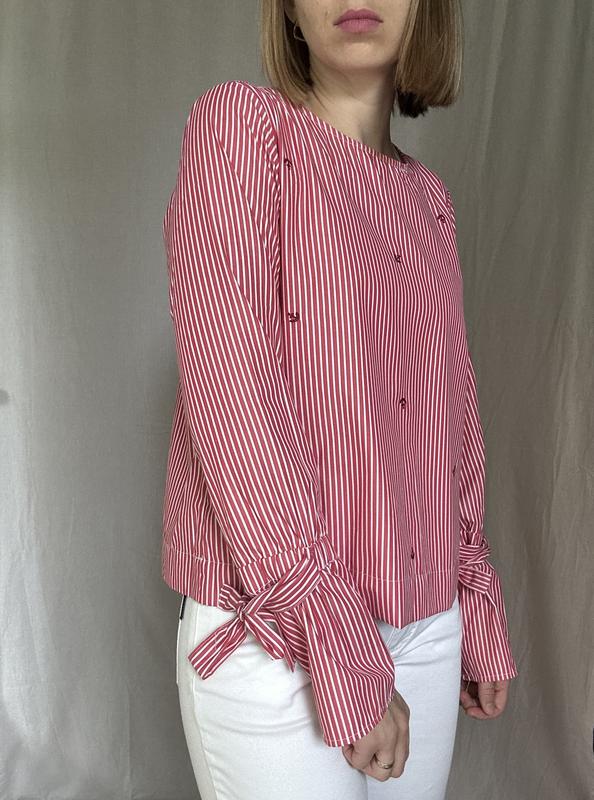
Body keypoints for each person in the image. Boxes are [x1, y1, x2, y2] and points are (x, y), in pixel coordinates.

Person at [162, 1, 518, 798]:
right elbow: (230, 388)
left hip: (426, 623)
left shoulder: (428, 200)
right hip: (277, 630)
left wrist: (472, 588)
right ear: (289, 10)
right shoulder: (242, 129)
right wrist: (333, 629)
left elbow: (451, 412)